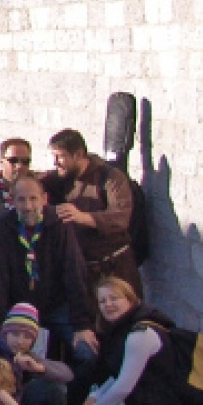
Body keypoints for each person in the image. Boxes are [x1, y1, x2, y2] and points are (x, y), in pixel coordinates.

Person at [70, 277, 194, 405]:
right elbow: (117, 374)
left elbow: (123, 386)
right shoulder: (122, 330)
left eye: (114, 298)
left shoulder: (140, 335)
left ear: (130, 300)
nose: (108, 305)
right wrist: (95, 396)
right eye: (102, 301)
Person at [0, 174, 95, 366]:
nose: (28, 206)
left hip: (57, 308)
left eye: (33, 198)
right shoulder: (3, 226)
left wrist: (82, 324)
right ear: (12, 200)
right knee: (2, 355)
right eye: (21, 199)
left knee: (86, 352)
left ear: (44, 199)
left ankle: (80, 396)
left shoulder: (59, 224)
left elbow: (74, 272)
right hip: (19, 310)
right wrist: (2, 325)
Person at [42, 128, 142, 299]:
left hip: (116, 269)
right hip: (84, 272)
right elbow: (31, 181)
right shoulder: (61, 177)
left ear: (79, 154)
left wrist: (83, 217)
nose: (56, 162)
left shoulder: (111, 178)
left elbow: (120, 217)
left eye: (60, 156)